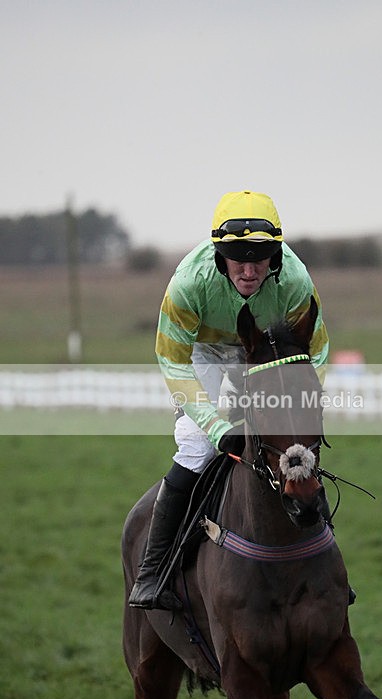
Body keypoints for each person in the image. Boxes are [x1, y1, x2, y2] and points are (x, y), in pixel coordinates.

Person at [128, 190, 329, 609]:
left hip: (262, 351)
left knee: (293, 444)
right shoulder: (188, 284)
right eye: (238, 256)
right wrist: (219, 427)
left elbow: (317, 354)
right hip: (201, 352)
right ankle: (154, 569)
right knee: (199, 444)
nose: (249, 269)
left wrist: (297, 413)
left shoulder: (294, 281)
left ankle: (325, 565)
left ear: (276, 255)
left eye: (260, 257)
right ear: (220, 254)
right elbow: (172, 360)